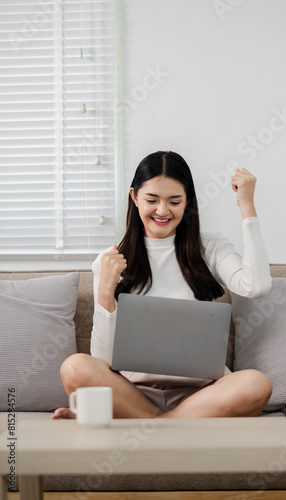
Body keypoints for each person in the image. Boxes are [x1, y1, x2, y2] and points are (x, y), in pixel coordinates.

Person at [52, 150, 272, 420]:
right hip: (131, 393)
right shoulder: (110, 261)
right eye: (152, 200)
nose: (162, 211)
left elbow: (257, 287)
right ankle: (172, 424)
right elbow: (102, 360)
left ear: (187, 201)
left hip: (203, 395)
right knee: (74, 366)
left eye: (174, 201)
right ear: (134, 197)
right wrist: (105, 295)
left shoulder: (210, 249)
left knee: (257, 383)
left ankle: (155, 424)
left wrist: (246, 206)